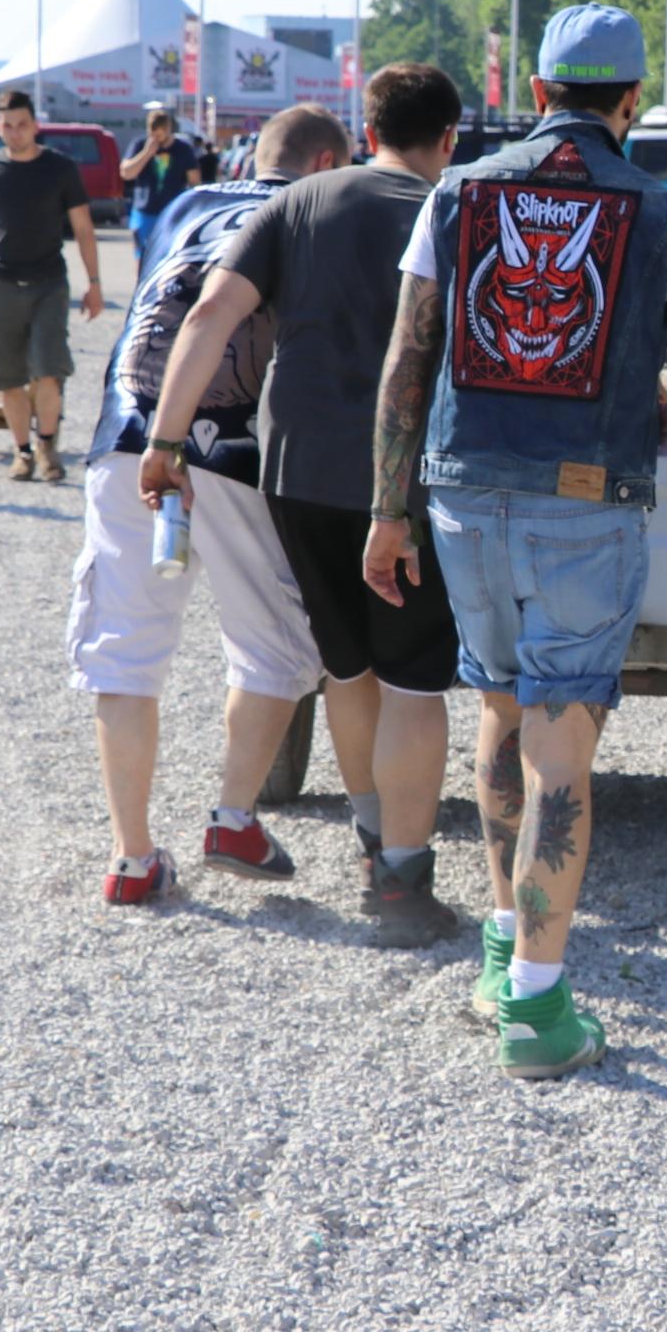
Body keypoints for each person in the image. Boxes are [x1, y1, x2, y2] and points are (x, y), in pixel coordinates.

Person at [365, 6, 667, 1081]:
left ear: (534, 95)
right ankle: (537, 1005)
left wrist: (388, 512)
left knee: (494, 706)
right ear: (632, 101)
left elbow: (407, 365)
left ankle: (498, 947)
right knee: (560, 738)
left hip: (460, 493)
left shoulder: (458, 190)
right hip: (585, 498)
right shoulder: (663, 210)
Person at [148, 66, 471, 948]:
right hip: (409, 477)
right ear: (448, 139)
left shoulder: (295, 202)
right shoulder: (454, 209)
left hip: (297, 467)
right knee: (412, 679)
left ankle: (372, 840)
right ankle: (402, 882)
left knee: (348, 665)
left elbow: (212, 311)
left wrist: (165, 441)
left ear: (367, 128)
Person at [70, 105, 347, 904]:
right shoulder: (312, 211)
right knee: (278, 644)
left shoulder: (191, 202)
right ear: (326, 159)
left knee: (124, 644)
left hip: (124, 432)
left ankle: (130, 857)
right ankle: (232, 816)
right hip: (227, 442)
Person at [0, 90, 106, 484]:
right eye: (6, 126)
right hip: (4, 282)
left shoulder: (60, 168)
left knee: (48, 369)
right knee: (7, 374)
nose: (14, 133)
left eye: (21, 125)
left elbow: (83, 227)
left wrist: (94, 283)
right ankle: (21, 450)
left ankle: (47, 445)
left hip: (49, 282)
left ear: (35, 125)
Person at [122, 106, 197, 260]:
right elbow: (126, 173)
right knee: (142, 257)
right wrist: (147, 153)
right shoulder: (140, 144)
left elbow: (194, 181)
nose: (157, 138)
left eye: (161, 134)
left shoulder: (183, 149)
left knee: (168, 256)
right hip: (144, 212)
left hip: (172, 213)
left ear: (169, 129)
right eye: (153, 134)